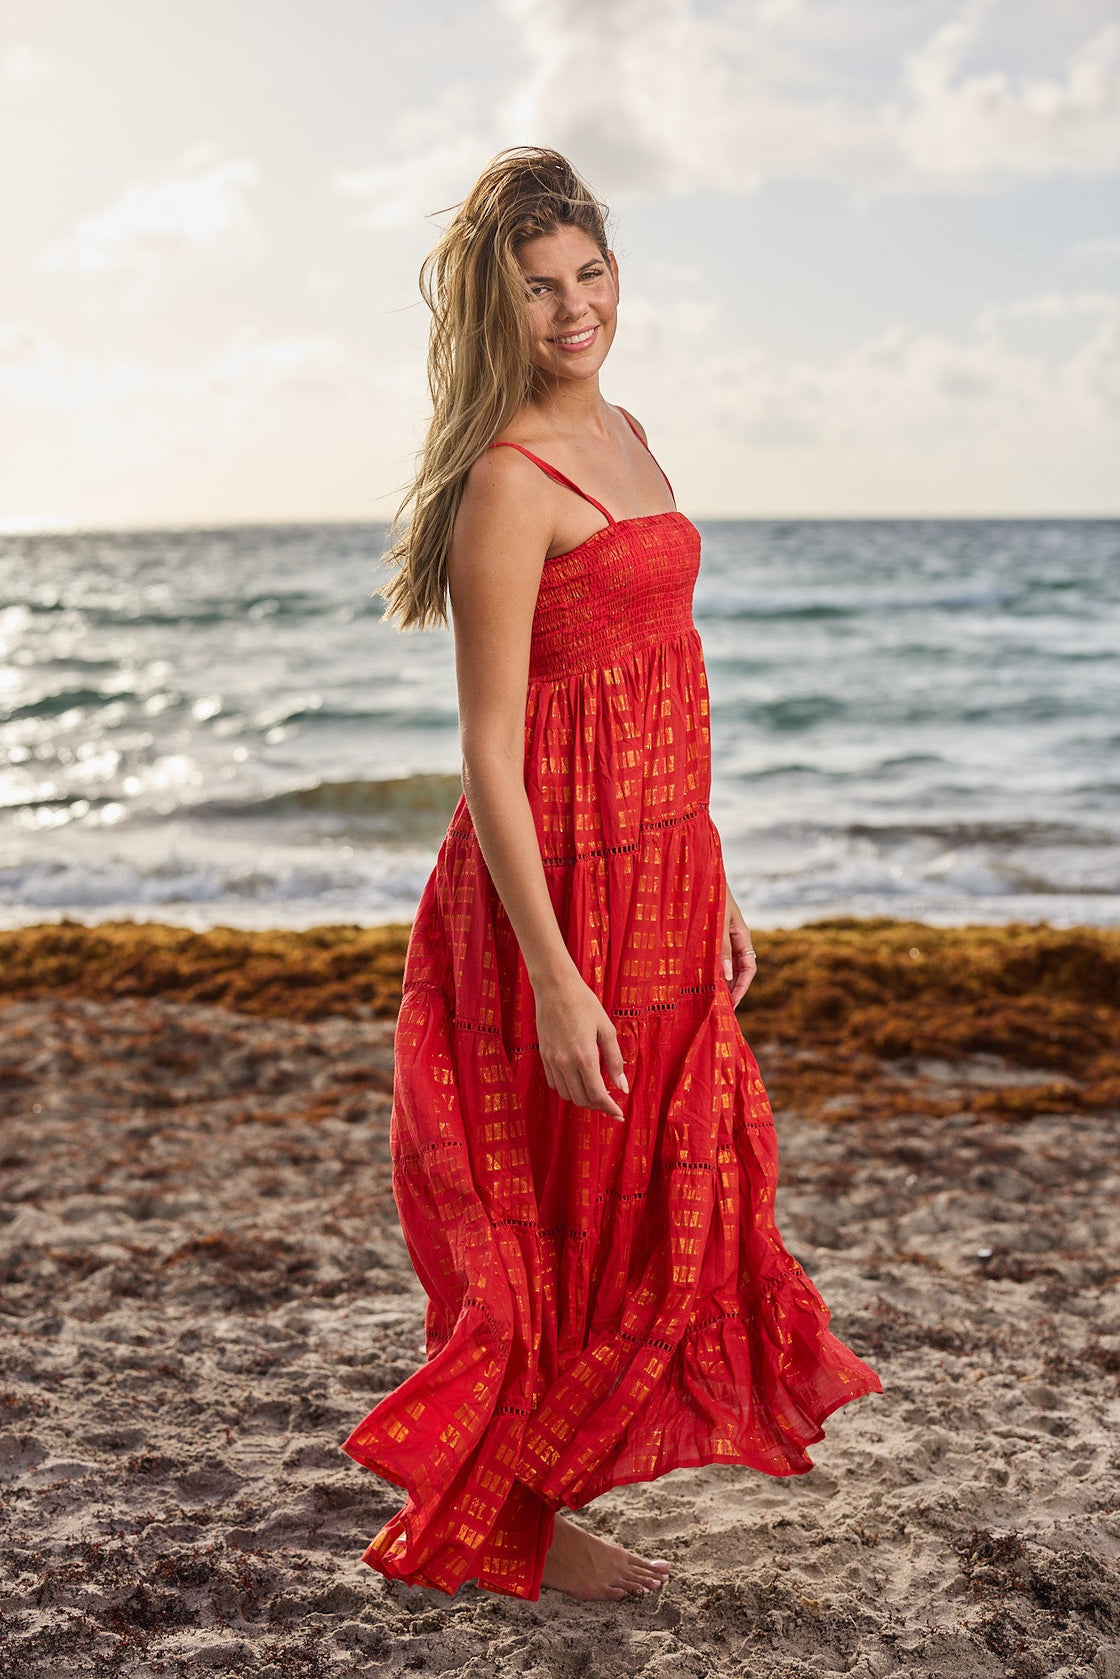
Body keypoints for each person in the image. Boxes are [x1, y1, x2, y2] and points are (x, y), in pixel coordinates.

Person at [341, 145, 881, 1605]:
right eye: (538, 289)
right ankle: (519, 1514)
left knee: (652, 1188)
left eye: (589, 276)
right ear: (495, 309)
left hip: (662, 880)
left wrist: (720, 888)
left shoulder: (632, 434)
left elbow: (662, 684)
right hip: (555, 897)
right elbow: (491, 747)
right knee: (551, 1204)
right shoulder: (505, 486)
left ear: (617, 280)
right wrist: (556, 975)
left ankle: (542, 1491)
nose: (572, 309)